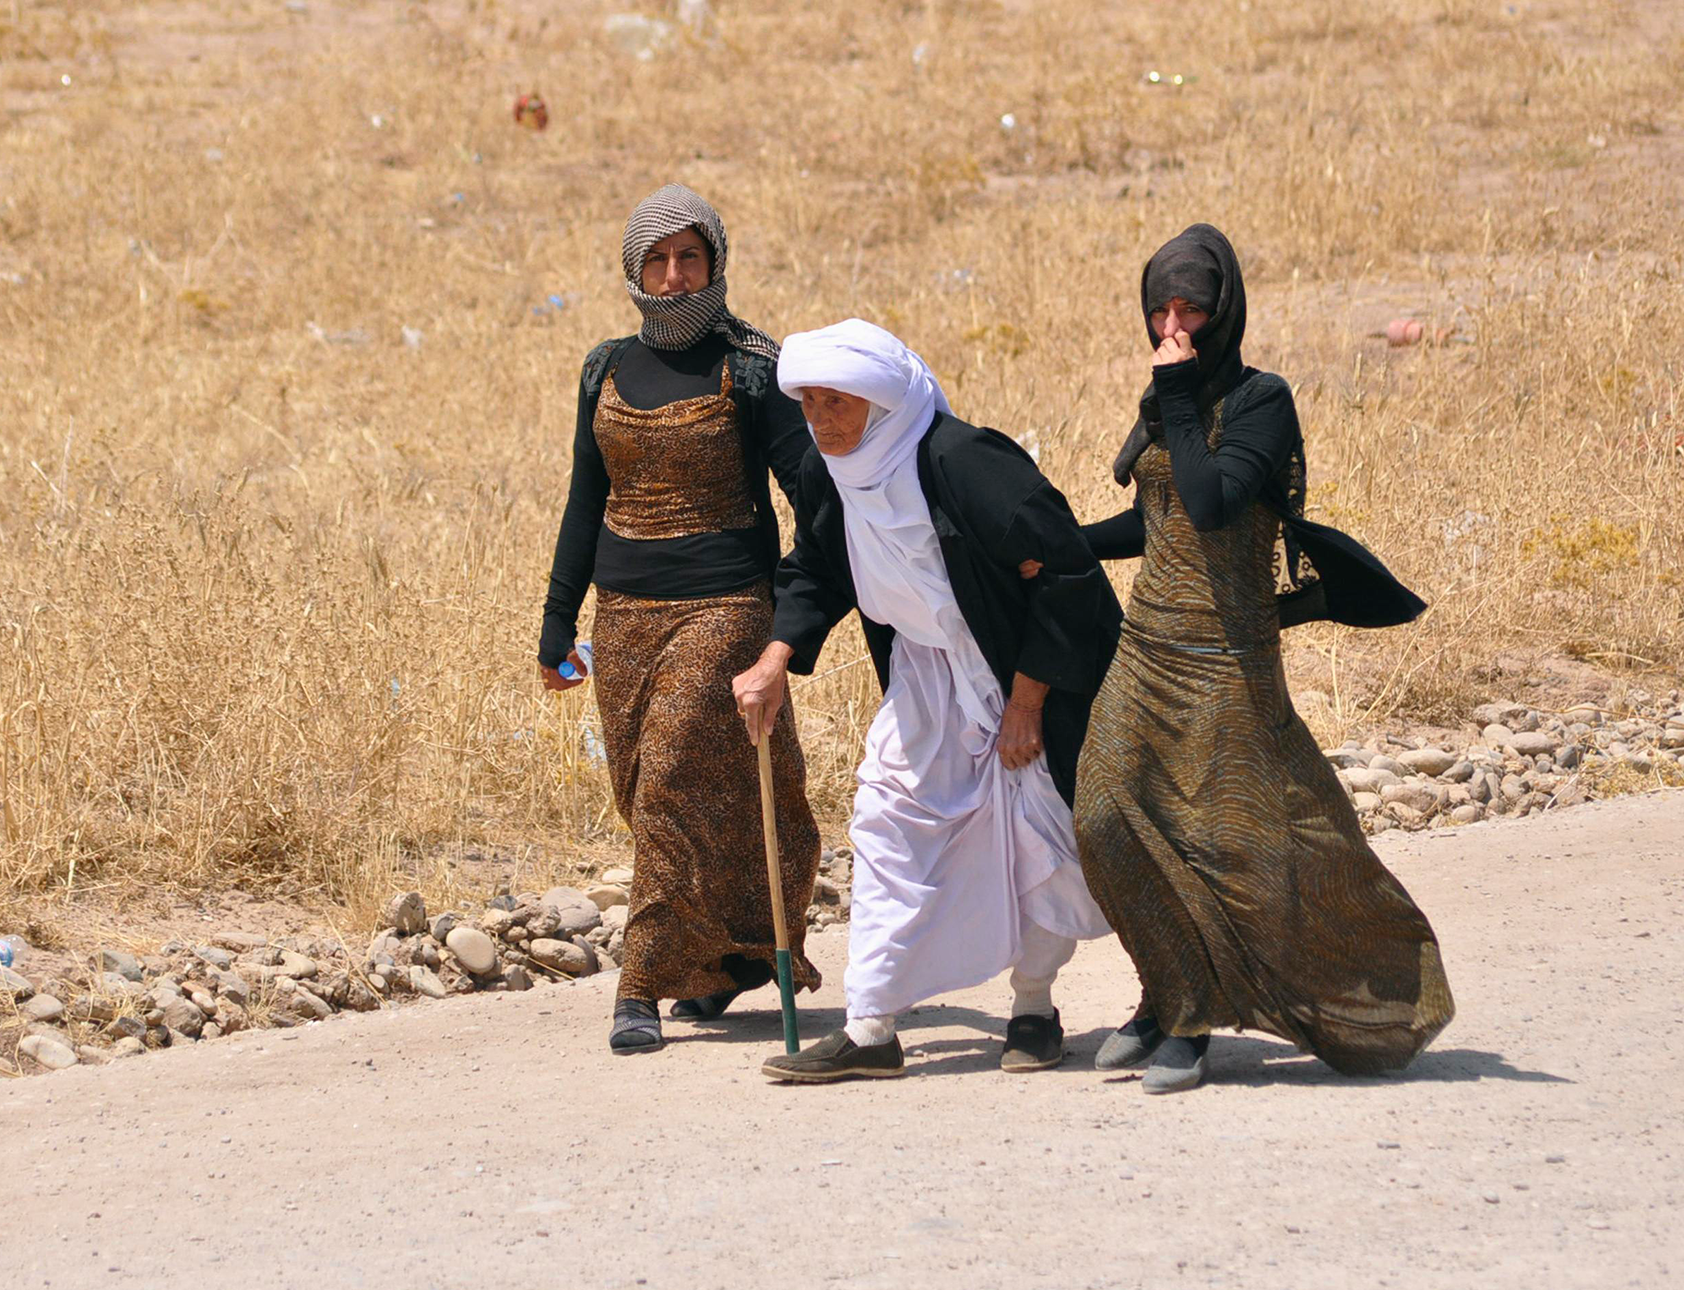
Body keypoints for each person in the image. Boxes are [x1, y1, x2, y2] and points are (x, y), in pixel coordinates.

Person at [1070, 223, 1455, 1094]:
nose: (1174, 328)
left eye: (1192, 310)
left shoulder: (1260, 402)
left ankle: (1192, 1021)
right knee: (1102, 817)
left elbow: (1210, 504)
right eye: (1159, 310)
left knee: (1223, 842)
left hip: (1224, 660)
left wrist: (1173, 394)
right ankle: (1166, 987)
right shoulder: (1165, 399)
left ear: (1225, 311)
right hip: (1147, 650)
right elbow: (1161, 521)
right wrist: (1066, 542)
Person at [732, 319, 1123, 1083]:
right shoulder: (830, 472)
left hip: (1019, 673)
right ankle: (871, 1027)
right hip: (924, 674)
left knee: (1041, 839)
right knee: (888, 819)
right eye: (806, 404)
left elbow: (1069, 574)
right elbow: (817, 566)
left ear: (880, 402)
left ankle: (1035, 1010)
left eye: (835, 403)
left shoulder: (963, 462)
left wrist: (1028, 703)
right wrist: (777, 656)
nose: (819, 421)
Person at [539, 184, 822, 1056]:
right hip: (621, 617)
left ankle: (641, 985)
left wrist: (793, 619)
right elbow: (587, 502)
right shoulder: (605, 368)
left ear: (716, 264)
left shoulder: (752, 368)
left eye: (690, 259)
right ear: (634, 268)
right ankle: (727, 962)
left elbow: (814, 496)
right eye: (657, 261)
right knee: (650, 795)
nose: (673, 277)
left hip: (724, 609)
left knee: (666, 780)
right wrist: (556, 625)